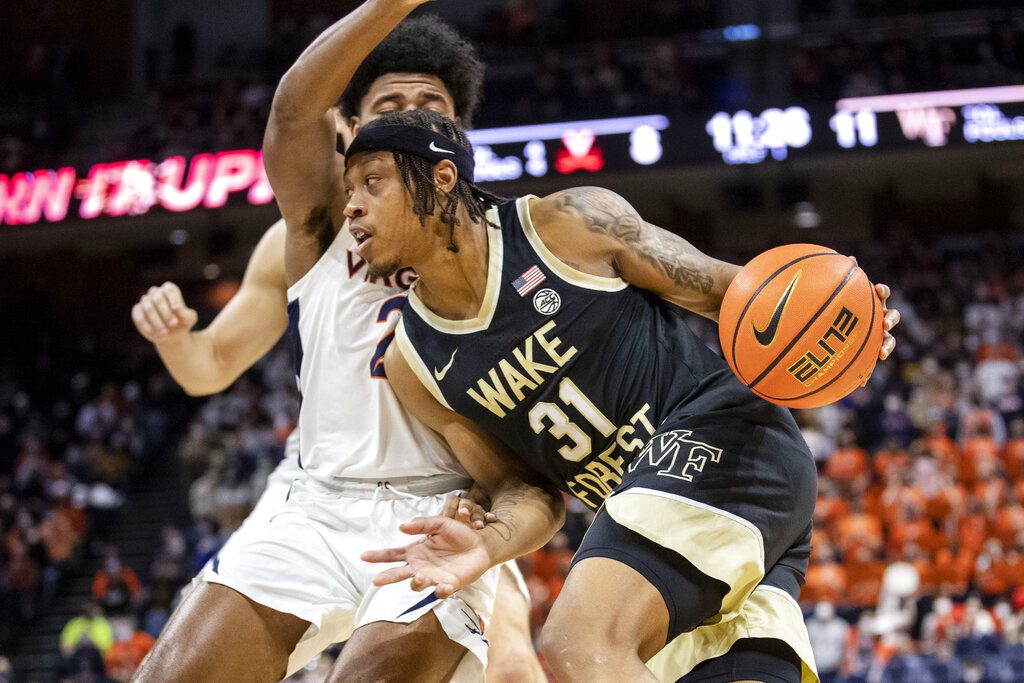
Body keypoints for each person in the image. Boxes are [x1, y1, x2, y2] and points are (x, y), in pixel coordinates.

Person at [341, 108, 901, 681]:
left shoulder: (568, 225)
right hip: (656, 523)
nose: (351, 207)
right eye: (348, 191)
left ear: (441, 178)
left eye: (372, 181)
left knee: (577, 644)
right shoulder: (413, 363)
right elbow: (525, 491)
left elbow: (734, 297)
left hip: (726, 442)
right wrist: (486, 547)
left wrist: (845, 320)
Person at [132, 10, 557, 683]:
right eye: (391, 105)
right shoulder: (316, 226)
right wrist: (180, 339)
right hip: (316, 499)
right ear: (350, 129)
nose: (414, 117)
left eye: (432, 105)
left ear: (458, 135)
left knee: (501, 666)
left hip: (443, 508)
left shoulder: (511, 243)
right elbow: (293, 109)